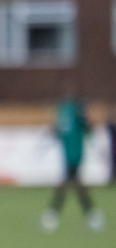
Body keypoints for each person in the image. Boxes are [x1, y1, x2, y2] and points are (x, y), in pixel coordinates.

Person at [41, 88, 103, 232]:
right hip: (71, 154)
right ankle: (92, 216)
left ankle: (53, 215)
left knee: (68, 185)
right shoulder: (72, 112)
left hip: (74, 155)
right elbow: (85, 128)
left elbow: (82, 128)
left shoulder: (70, 112)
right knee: (76, 185)